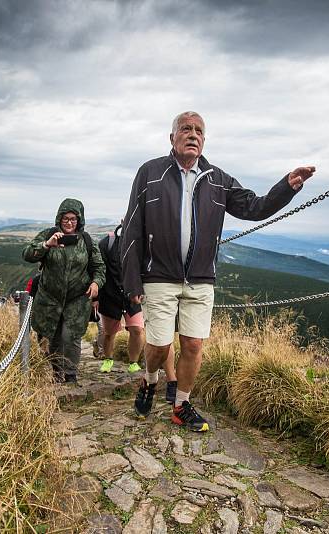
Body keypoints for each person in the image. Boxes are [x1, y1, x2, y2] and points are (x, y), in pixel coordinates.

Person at [121, 111, 315, 431]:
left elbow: (254, 207)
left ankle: (181, 405)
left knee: (194, 345)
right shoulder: (150, 173)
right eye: (186, 129)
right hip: (158, 276)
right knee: (159, 346)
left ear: (204, 140)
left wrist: (287, 188)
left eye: (198, 130)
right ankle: (149, 380)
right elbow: (132, 229)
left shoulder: (217, 179)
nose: (192, 134)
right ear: (172, 138)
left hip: (200, 279)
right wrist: (132, 281)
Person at [23, 198, 105, 383]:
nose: (69, 222)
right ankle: (55, 370)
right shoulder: (48, 235)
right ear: (59, 218)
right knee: (51, 335)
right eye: (66, 218)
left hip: (77, 298)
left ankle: (70, 374)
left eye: (73, 219)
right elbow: (27, 254)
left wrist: (96, 284)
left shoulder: (87, 241)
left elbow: (99, 267)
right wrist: (46, 245)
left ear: (79, 220)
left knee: (71, 335)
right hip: (49, 298)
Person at [96, 223, 178, 402]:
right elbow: (99, 270)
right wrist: (96, 296)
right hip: (110, 295)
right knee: (110, 333)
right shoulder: (107, 243)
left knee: (137, 330)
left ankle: (133, 362)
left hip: (134, 296)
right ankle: (108, 359)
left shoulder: (143, 245)